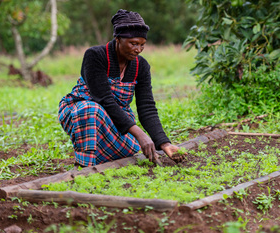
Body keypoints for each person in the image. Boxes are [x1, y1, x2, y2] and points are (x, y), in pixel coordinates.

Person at [58, 9, 185, 167]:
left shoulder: (141, 66)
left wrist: (165, 143)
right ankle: (85, 166)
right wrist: (140, 134)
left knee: (132, 148)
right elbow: (104, 99)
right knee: (90, 110)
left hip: (115, 119)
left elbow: (146, 107)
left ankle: (100, 158)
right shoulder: (95, 55)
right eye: (133, 44)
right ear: (118, 38)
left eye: (142, 45)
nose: (138, 49)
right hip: (79, 112)